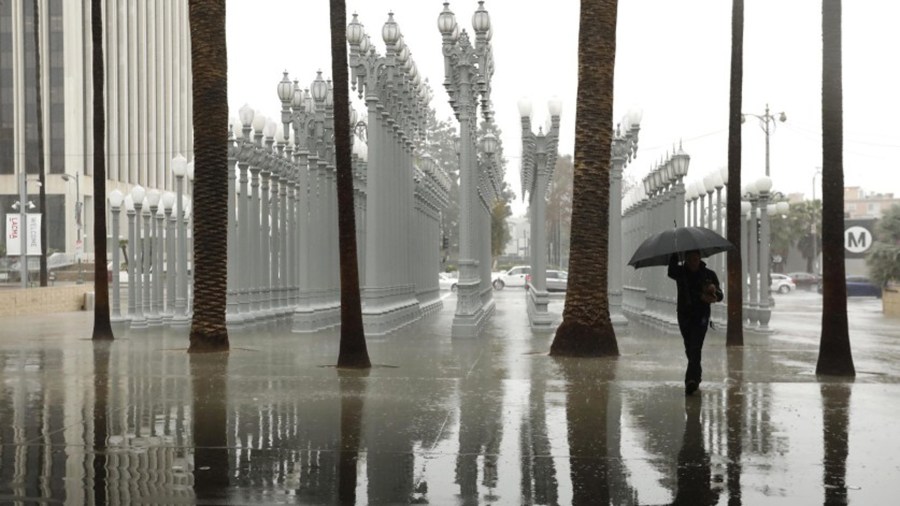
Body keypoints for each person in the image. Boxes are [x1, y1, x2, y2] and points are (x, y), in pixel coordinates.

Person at [668, 250, 723, 395]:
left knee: (695, 346)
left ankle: (690, 381)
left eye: (696, 259)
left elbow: (720, 295)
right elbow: (670, 271)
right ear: (685, 259)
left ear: (700, 258)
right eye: (690, 259)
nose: (693, 262)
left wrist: (713, 293)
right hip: (684, 315)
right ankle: (696, 377)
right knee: (689, 346)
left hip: (701, 316)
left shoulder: (708, 275)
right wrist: (675, 253)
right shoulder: (681, 273)